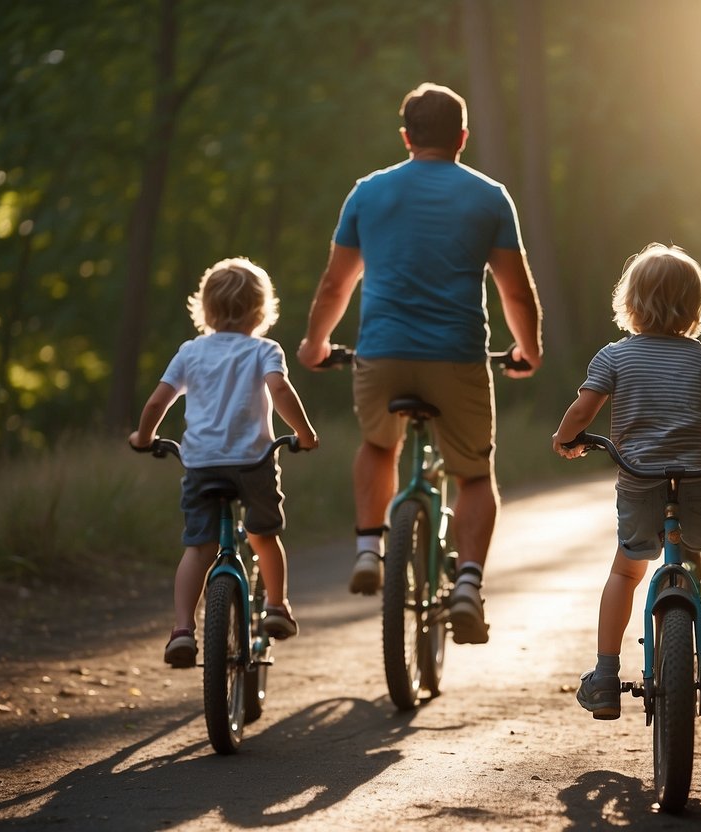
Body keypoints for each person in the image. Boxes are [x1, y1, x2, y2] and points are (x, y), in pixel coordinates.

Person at [296, 82, 543, 645]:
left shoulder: (368, 193)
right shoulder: (489, 196)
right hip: (456, 357)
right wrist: (528, 348)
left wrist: (314, 344)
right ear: (462, 137)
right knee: (475, 475)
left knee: (380, 445)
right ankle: (468, 586)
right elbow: (516, 293)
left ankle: (367, 548)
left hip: (381, 354)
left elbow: (337, 283)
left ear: (406, 137)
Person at [551, 242, 701, 719]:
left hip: (639, 479)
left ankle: (607, 675)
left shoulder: (614, 357)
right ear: (696, 308)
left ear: (630, 304)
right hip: (698, 475)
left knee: (625, 570)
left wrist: (567, 436)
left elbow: (583, 408)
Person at [130, 257, 319, 668]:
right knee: (263, 535)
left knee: (198, 548)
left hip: (200, 464)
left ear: (205, 310)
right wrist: (304, 433)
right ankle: (276, 606)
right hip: (253, 461)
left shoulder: (190, 352)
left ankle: (182, 629)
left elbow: (157, 401)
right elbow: (281, 390)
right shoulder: (264, 349)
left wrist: (143, 438)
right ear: (262, 311)